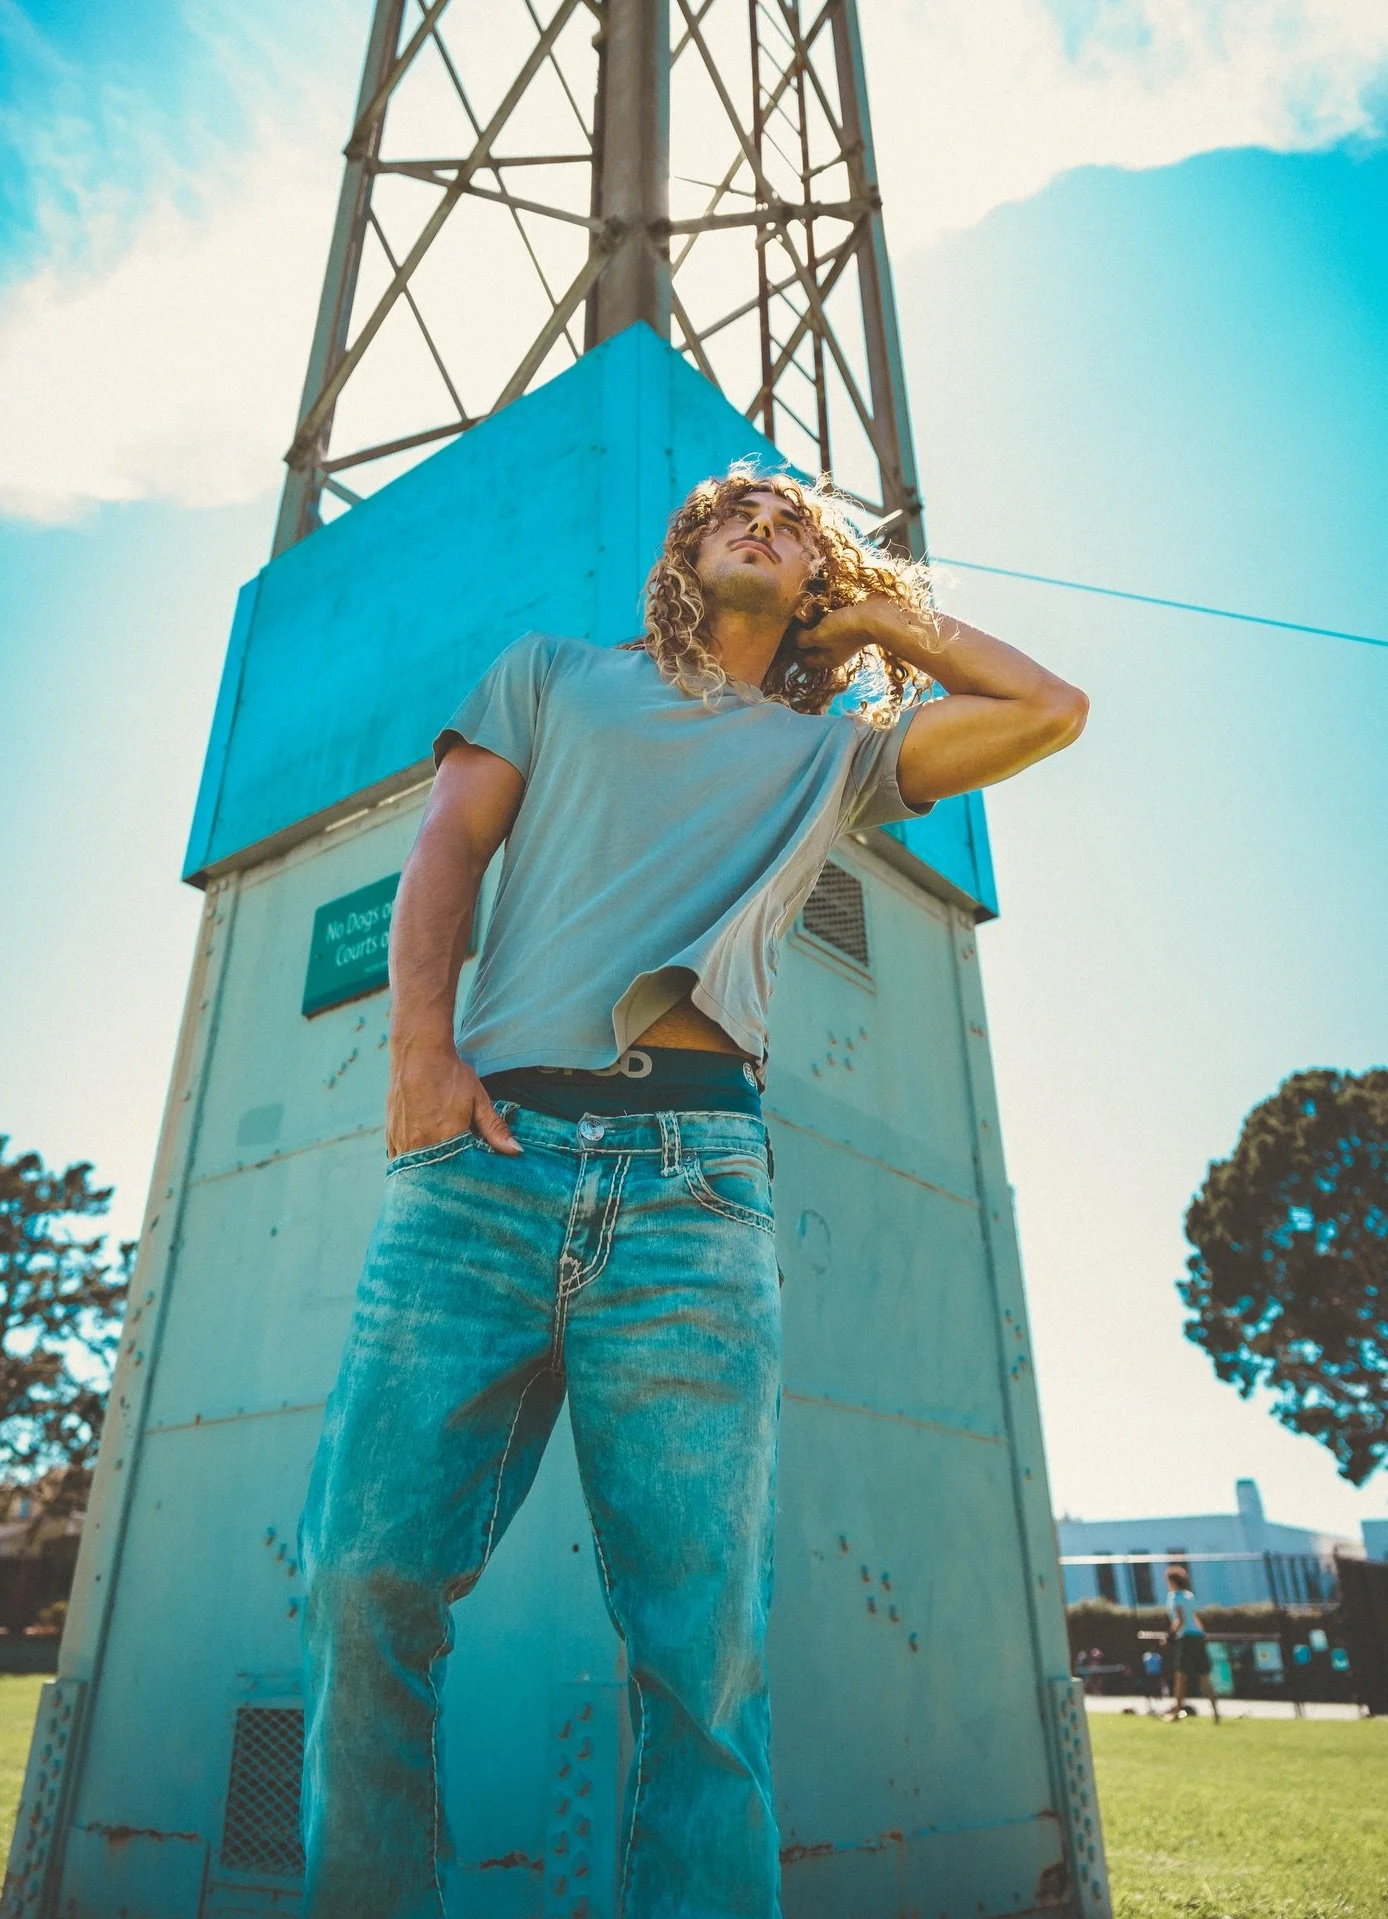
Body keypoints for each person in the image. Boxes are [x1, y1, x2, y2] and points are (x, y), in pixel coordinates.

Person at [297, 467, 1090, 1918]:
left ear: (817, 585)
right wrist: (419, 1047)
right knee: (359, 1578)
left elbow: (1050, 710)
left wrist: (889, 621)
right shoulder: (551, 674)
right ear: (682, 548)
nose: (764, 527)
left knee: (701, 1651)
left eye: (797, 527)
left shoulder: (833, 755)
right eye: (738, 512)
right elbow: (448, 845)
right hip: (486, 1164)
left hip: (696, 1191)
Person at [1164, 1564, 1221, 1723]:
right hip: (1197, 1637)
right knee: (1204, 1676)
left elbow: (1180, 1620)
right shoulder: (1189, 1596)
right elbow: (1195, 1618)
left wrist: (1169, 1636)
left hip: (1187, 1638)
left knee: (1181, 1676)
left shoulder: (1175, 1598)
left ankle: (1177, 1712)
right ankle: (1216, 1712)